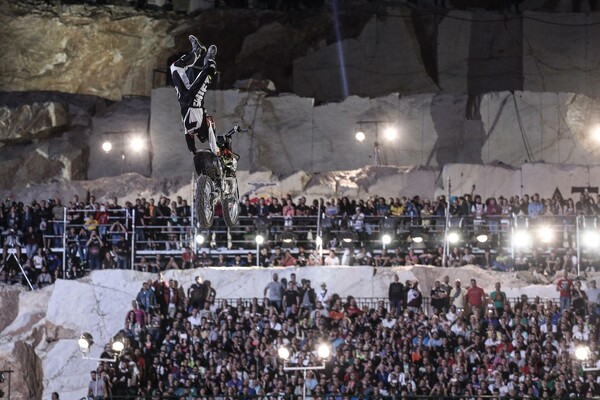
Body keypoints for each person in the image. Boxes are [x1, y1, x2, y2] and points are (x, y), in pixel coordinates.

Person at [170, 35, 219, 156]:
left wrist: (193, 151)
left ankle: (197, 51)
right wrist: (216, 152)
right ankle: (210, 59)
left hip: (183, 98)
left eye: (210, 121)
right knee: (207, 73)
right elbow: (213, 142)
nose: (210, 119)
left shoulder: (192, 129)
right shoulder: (203, 125)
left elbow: (196, 141)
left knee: (175, 67)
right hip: (195, 98)